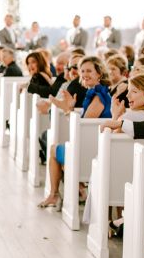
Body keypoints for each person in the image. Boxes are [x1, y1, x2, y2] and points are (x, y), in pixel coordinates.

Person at [38, 56, 113, 209]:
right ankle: (73, 191)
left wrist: (67, 110)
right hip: (92, 145)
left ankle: (54, 194)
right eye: (82, 71)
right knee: (60, 150)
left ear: (99, 73)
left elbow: (85, 127)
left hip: (90, 151)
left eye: (89, 71)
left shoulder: (99, 96)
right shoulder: (96, 93)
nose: (85, 74)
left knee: (53, 150)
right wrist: (70, 109)